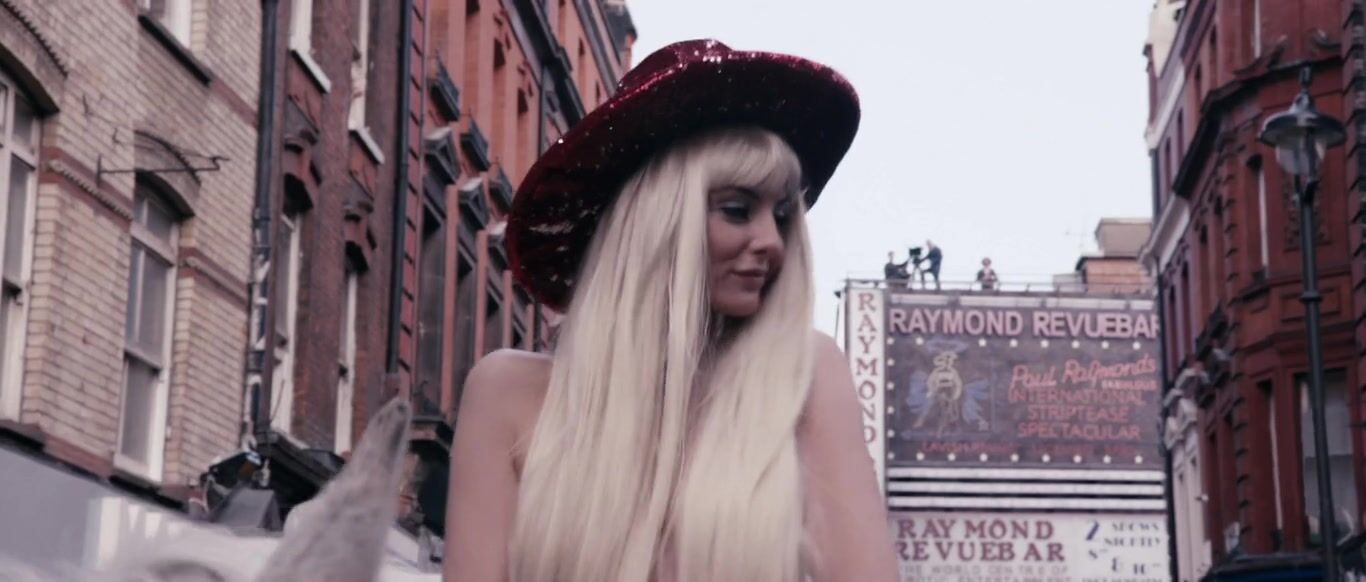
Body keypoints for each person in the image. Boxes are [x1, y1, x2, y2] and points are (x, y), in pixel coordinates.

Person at [444, 39, 896, 582]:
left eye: (782, 217)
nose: (771, 242)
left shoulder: (805, 375)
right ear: (657, 222)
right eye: (737, 210)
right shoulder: (506, 393)